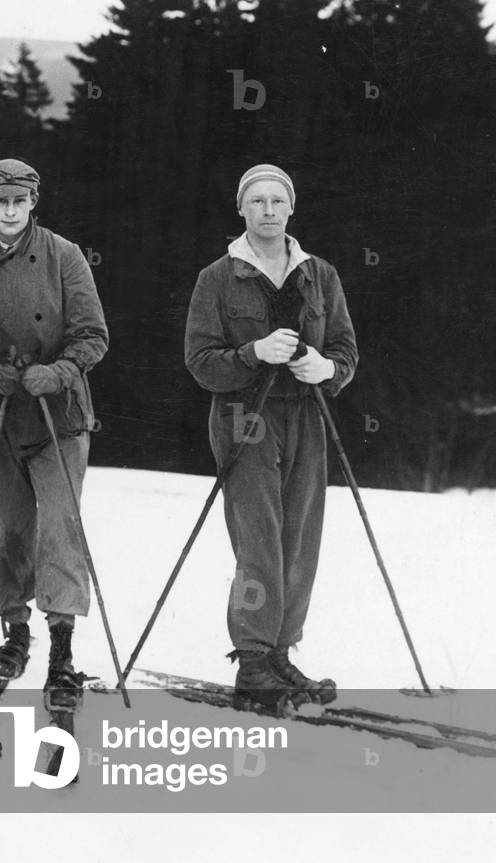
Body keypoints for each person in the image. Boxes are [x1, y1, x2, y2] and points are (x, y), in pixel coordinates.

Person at [0, 158, 108, 707]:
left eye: (20, 201)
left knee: (60, 526)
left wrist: (61, 370)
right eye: (0, 200)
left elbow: (92, 333)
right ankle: (14, 629)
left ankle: (62, 646)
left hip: (58, 416)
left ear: (34, 202)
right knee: (6, 528)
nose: (10, 210)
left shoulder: (65, 255)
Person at [185, 164, 357, 708]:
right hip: (244, 417)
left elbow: (346, 349)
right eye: (256, 201)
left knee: (301, 538)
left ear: (291, 207)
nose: (266, 210)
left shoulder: (320, 275)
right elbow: (200, 362)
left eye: (276, 201)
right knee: (258, 537)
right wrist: (252, 354)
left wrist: (326, 371)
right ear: (242, 209)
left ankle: (282, 652)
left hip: (306, 415)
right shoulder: (218, 276)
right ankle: (254, 660)